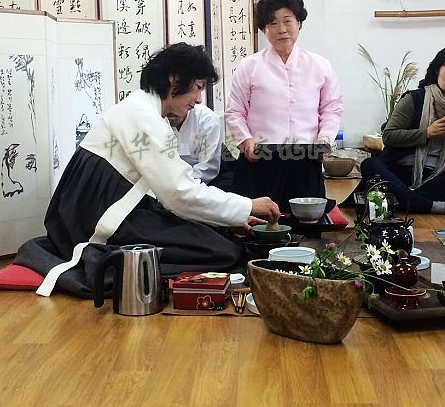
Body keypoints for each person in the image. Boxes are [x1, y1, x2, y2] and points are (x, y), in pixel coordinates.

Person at [15, 43, 280, 298]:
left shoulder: (146, 111)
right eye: (198, 87)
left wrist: (228, 218)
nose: (198, 100)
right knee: (224, 251)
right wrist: (248, 205)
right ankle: (105, 262)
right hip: (94, 217)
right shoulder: (143, 116)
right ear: (174, 79)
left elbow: (177, 187)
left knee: (218, 236)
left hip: (112, 206)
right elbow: (180, 193)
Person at [225, 0, 343, 210]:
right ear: (264, 29)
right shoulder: (249, 66)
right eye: (273, 23)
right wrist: (246, 141)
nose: (281, 29)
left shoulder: (320, 65)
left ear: (299, 23)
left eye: (287, 21)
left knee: (307, 221)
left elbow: (331, 109)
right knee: (257, 223)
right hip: (259, 161)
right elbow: (235, 111)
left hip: (305, 160)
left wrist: (325, 138)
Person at [360, 43, 445, 215]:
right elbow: (389, 136)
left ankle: (404, 198)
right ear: (438, 69)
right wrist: (427, 133)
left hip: (437, 175)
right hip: (399, 170)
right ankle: (427, 205)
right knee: (370, 165)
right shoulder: (415, 99)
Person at [167, 103, 221, 185]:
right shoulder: (155, 118)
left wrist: (181, 185)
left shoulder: (207, 119)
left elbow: (207, 168)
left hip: (201, 182)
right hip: (166, 182)